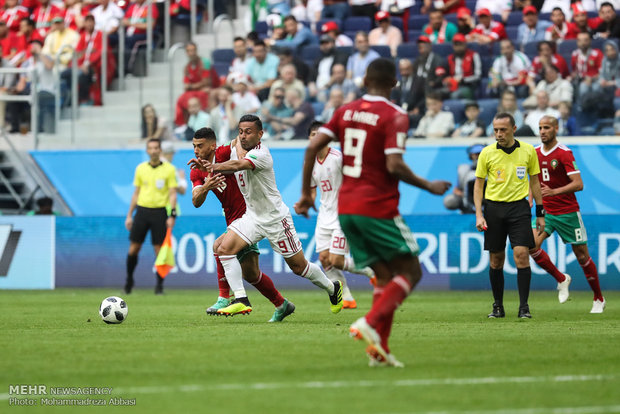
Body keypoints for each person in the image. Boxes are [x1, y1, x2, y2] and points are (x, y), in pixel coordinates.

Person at [296, 58, 451, 367]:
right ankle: (369, 321)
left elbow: (312, 148)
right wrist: (427, 185)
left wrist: (303, 195)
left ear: (364, 80)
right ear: (394, 84)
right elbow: (393, 165)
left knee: (383, 275)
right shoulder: (395, 115)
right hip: (377, 205)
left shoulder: (344, 111)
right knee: (411, 271)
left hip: (346, 208)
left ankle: (378, 350)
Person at [198, 114, 343, 317]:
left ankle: (332, 288)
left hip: (275, 219)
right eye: (240, 132)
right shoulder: (235, 148)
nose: (243, 136)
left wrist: (214, 167)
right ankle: (241, 299)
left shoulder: (262, 154)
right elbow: (229, 151)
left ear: (260, 134)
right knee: (223, 249)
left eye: (248, 132)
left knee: (299, 267)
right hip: (252, 217)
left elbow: (239, 165)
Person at [188, 127, 296, 321]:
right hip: (233, 219)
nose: (196, 150)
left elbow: (238, 142)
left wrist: (242, 144)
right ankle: (282, 304)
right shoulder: (197, 171)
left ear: (213, 146)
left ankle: (225, 297)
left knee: (219, 246)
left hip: (249, 215)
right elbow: (196, 201)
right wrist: (206, 186)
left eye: (200, 146)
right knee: (251, 274)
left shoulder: (222, 154)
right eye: (194, 146)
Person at [528, 116, 605, 313]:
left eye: (546, 127)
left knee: (581, 256)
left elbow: (579, 184)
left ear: (556, 128)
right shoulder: (534, 152)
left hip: (568, 212)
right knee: (531, 245)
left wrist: (554, 192)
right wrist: (530, 199)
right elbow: (534, 181)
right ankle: (561, 278)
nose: (543, 131)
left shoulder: (564, 153)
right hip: (546, 212)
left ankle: (598, 298)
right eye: (540, 128)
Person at [473, 112, 545, 319]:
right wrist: (479, 214)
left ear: (514, 129)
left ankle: (524, 307)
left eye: (503, 130)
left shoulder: (528, 151)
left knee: (522, 254)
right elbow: (478, 186)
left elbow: (534, 182)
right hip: (494, 209)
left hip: (519, 208)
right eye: (495, 130)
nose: (498, 134)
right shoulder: (486, 153)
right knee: (496, 260)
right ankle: (498, 306)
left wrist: (540, 213)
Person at [305, 121, 375, 309]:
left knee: (337, 260)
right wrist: (305, 202)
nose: (317, 137)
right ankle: (347, 298)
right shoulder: (309, 162)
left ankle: (372, 271)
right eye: (313, 134)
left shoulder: (337, 158)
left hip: (342, 214)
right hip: (324, 216)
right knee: (325, 260)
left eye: (320, 134)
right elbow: (312, 192)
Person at [124, 138, 178, 295]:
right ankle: (129, 280)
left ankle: (159, 286)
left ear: (160, 150)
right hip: (142, 211)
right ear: (147, 151)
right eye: (151, 148)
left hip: (160, 212)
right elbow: (136, 193)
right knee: (134, 248)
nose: (154, 150)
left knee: (159, 251)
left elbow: (172, 193)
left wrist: (172, 214)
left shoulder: (169, 169)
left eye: (156, 148)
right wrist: (129, 215)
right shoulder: (141, 169)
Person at [175, 42, 219, 127]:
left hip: (212, 88)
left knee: (203, 94)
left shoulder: (205, 62)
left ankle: (208, 124)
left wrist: (191, 86)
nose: (191, 53)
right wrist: (192, 87)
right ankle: (185, 125)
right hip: (197, 90)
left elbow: (206, 82)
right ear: (186, 53)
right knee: (182, 99)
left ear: (196, 51)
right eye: (189, 51)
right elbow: (186, 85)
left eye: (193, 50)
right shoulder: (187, 67)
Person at [444, 144, 484, 214]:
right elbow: (456, 190)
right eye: (476, 154)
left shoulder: (494, 170)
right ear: (471, 155)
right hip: (468, 202)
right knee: (450, 200)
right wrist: (465, 195)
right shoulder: (464, 170)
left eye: (481, 154)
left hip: (488, 201)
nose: (478, 157)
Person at [443, 33, 482, 100]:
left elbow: (478, 76)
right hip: (453, 85)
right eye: (456, 45)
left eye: (460, 44)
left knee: (455, 95)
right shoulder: (450, 58)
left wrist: (463, 80)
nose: (458, 47)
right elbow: (446, 75)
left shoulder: (474, 55)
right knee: (437, 94)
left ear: (465, 44)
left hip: (468, 86)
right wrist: (447, 80)